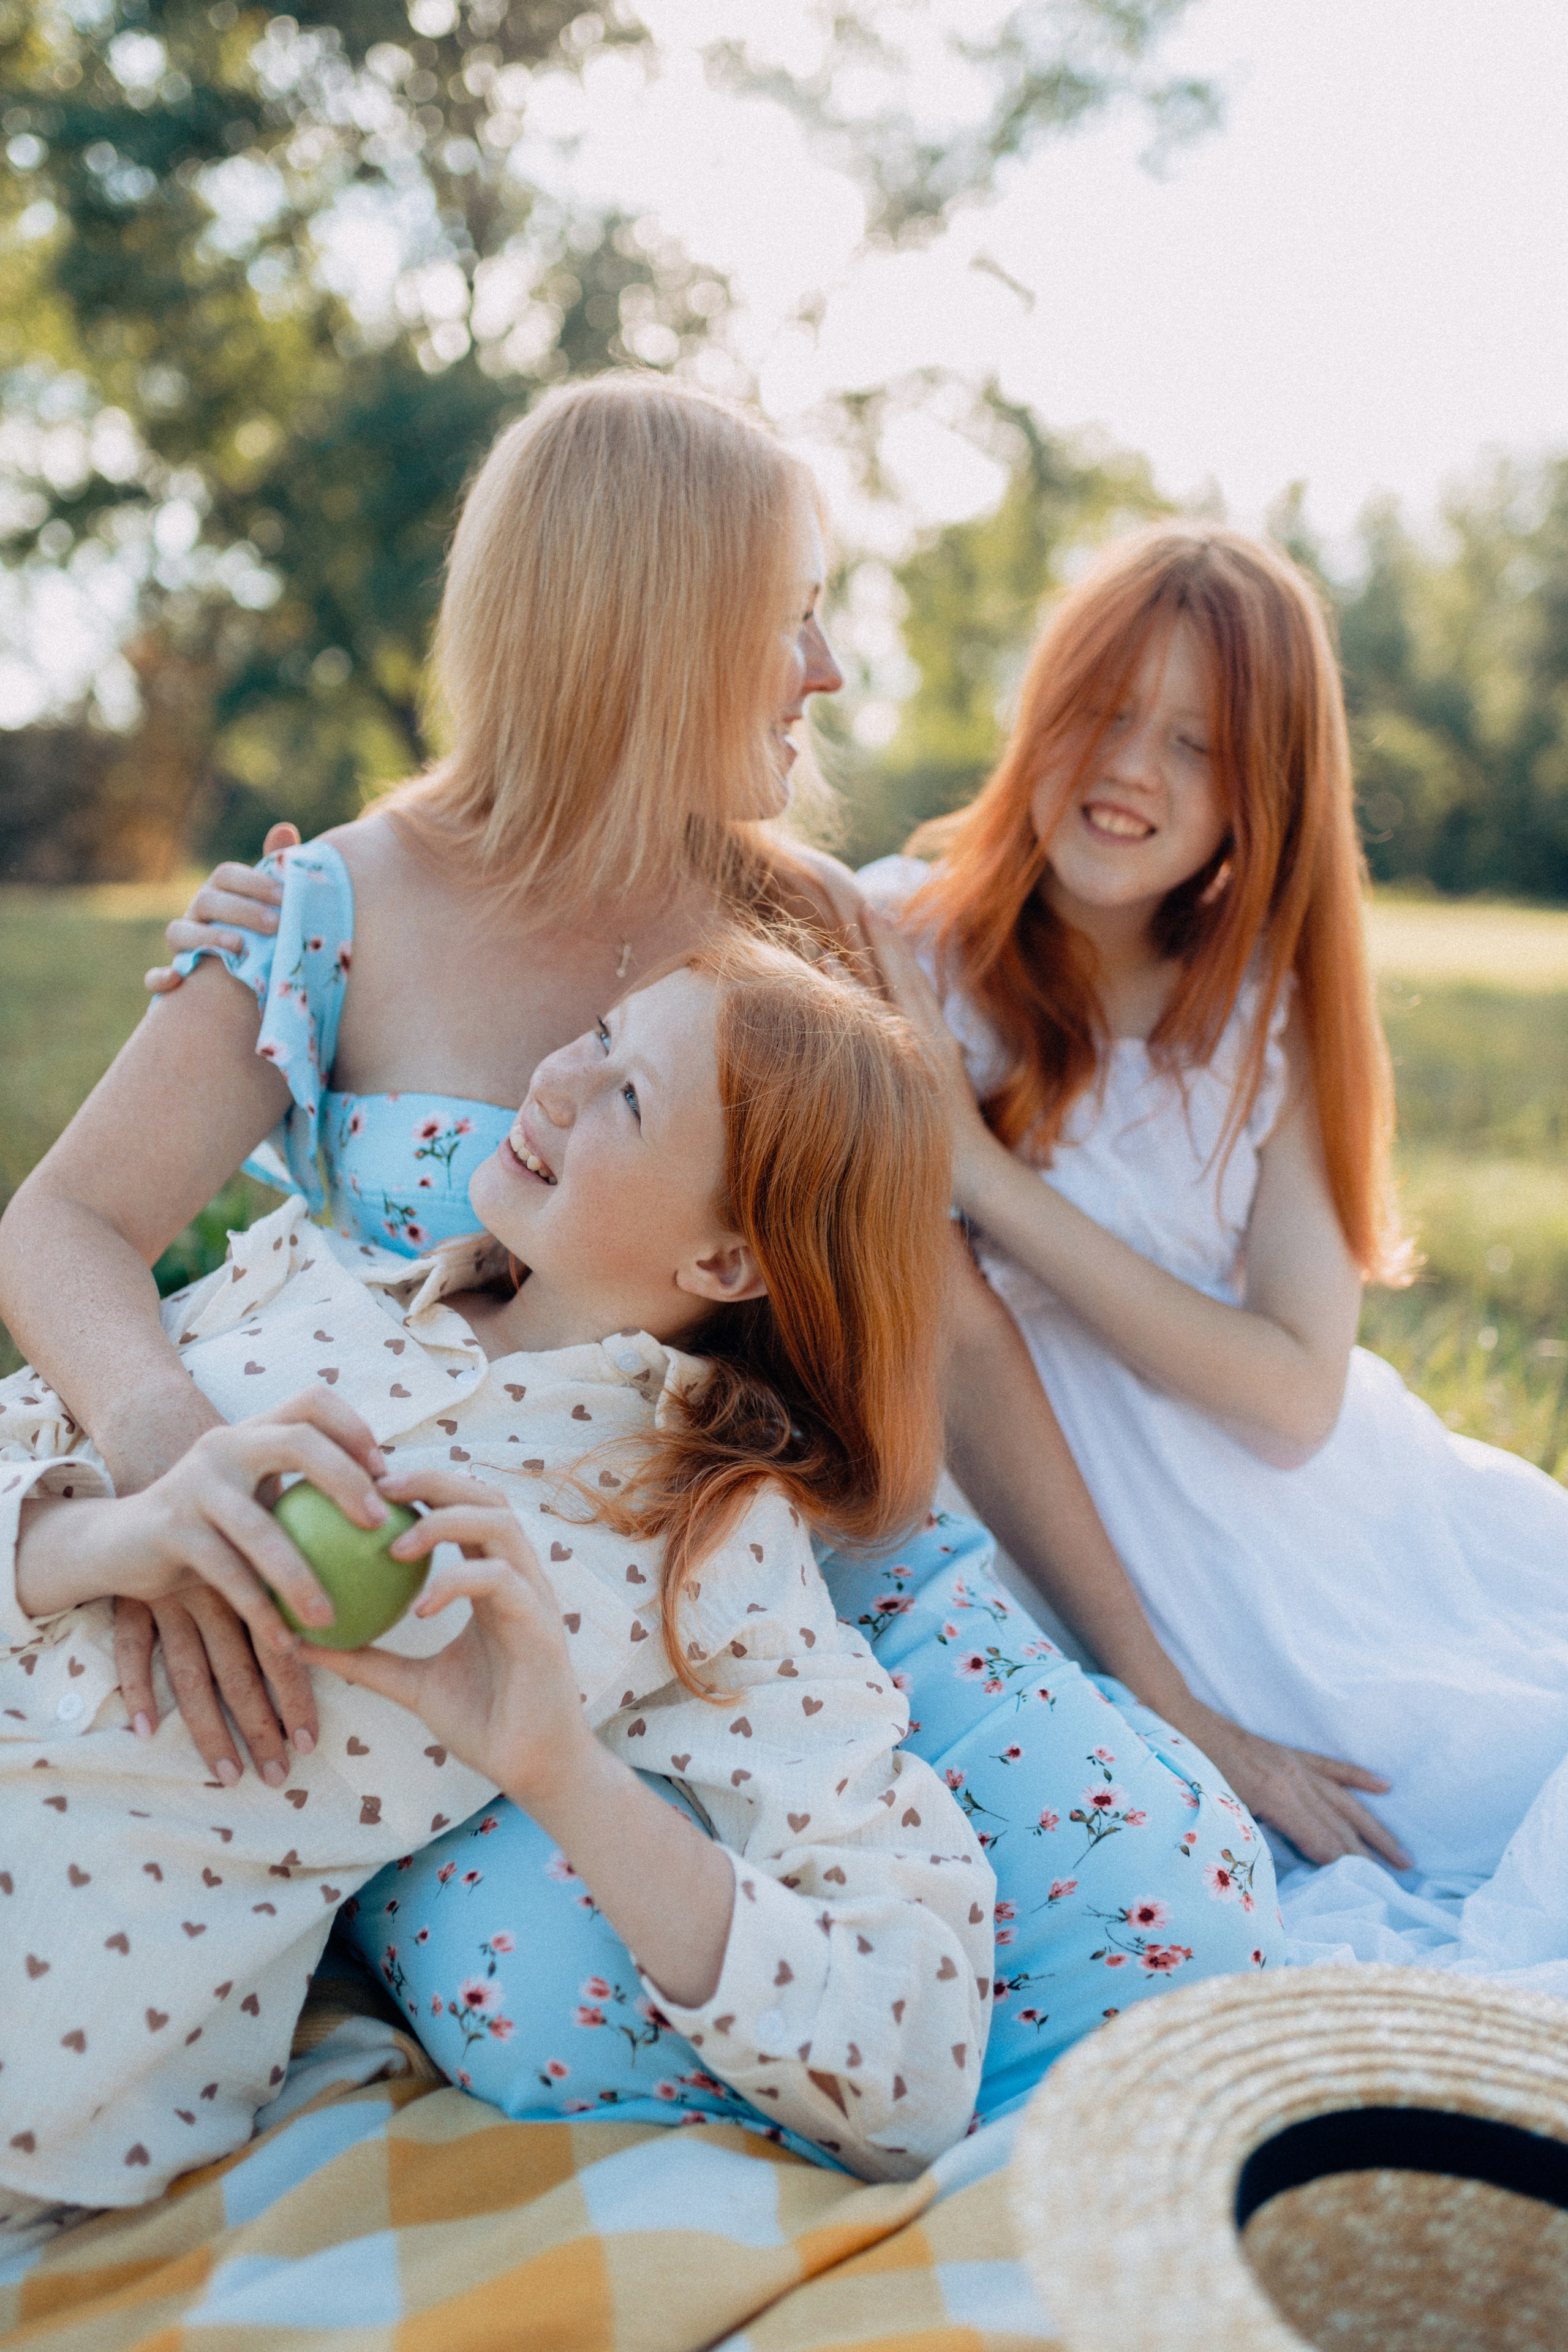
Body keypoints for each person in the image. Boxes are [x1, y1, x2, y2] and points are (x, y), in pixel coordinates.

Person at [0, 377, 1280, 2107]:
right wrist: (175, 1457)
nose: (827, 670)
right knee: (558, 2006)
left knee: (1174, 1913)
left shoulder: (800, 920)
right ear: (652, 626)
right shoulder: (320, 914)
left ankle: (964, 2111)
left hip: (795, 1603)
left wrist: (1157, 1686)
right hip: (469, 1656)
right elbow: (65, 1221)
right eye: (793, 618)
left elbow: (953, 1328)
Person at [0, 942, 993, 2236]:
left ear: (726, 1262)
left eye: (628, 1096)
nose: (557, 1079)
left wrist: (558, 1772)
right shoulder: (306, 1279)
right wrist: (103, 1540)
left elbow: (908, 2070)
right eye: (599, 1029)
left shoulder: (702, 1547)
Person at [865, 521, 1568, 1894]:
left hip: (1304, 1550)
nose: (1132, 766)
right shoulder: (895, 943)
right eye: (1105, 710)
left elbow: (1296, 1395)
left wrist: (986, 1181)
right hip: (1049, 1547)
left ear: (1264, 790)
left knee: (1484, 1779)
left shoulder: (1267, 1014)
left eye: (1197, 744)